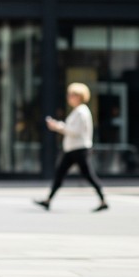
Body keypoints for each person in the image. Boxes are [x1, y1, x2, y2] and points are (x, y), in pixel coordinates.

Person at [35, 83, 108, 212]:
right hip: (72, 149)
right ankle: (48, 200)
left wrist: (58, 127)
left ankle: (103, 200)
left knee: (88, 175)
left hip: (79, 149)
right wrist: (59, 126)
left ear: (79, 96)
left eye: (71, 95)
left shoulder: (81, 111)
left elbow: (75, 131)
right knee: (60, 174)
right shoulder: (77, 111)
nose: (69, 97)